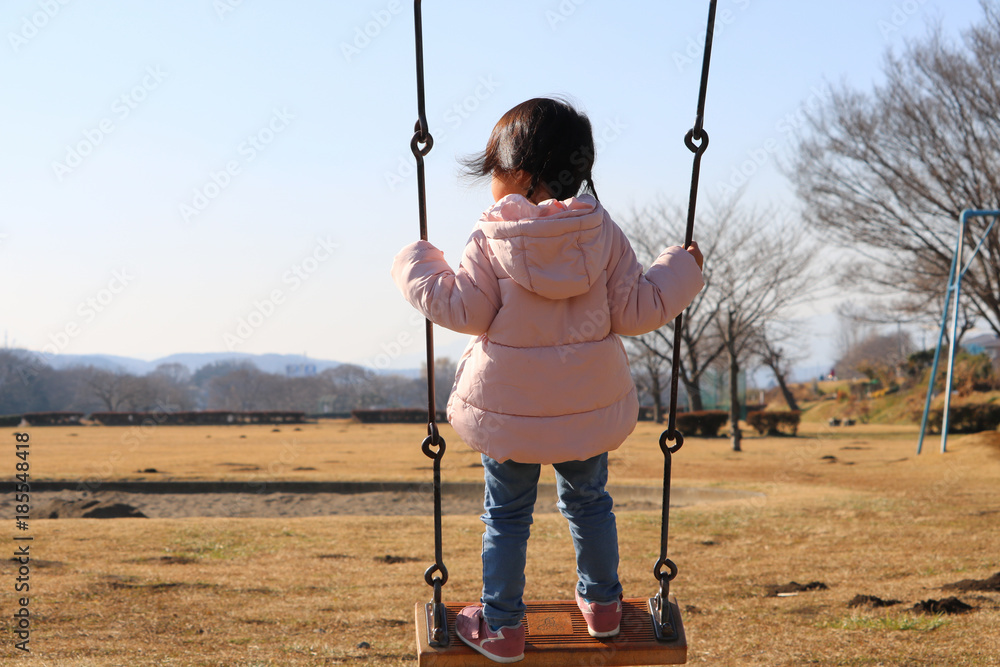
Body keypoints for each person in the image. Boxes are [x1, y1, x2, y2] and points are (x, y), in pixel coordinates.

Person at [391, 97, 704, 663]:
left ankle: (504, 625)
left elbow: (464, 310)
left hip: (509, 415)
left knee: (506, 516)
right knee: (589, 503)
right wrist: (681, 264)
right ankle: (604, 608)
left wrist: (416, 264)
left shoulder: (492, 237)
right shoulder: (601, 233)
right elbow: (638, 309)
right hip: (585, 411)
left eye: (494, 170)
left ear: (521, 175)